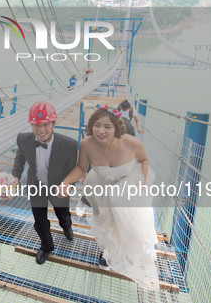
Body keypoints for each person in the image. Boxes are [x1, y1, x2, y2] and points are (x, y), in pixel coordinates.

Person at [59, 105, 159, 289]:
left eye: (108, 128)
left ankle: (131, 250)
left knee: (129, 220)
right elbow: (82, 167)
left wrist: (141, 185)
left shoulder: (132, 145)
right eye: (97, 126)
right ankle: (106, 252)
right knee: (103, 219)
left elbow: (143, 160)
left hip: (127, 185)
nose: (101, 132)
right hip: (102, 184)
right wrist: (66, 182)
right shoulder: (88, 144)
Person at [11, 101, 78, 265]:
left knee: (63, 215)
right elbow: (20, 158)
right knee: (40, 222)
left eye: (46, 124)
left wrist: (68, 185)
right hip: (36, 186)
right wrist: (16, 176)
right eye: (36, 125)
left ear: (54, 123)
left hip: (58, 187)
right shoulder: (23, 139)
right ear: (31, 125)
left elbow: (75, 169)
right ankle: (46, 246)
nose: (41, 130)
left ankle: (67, 226)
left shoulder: (69, 145)